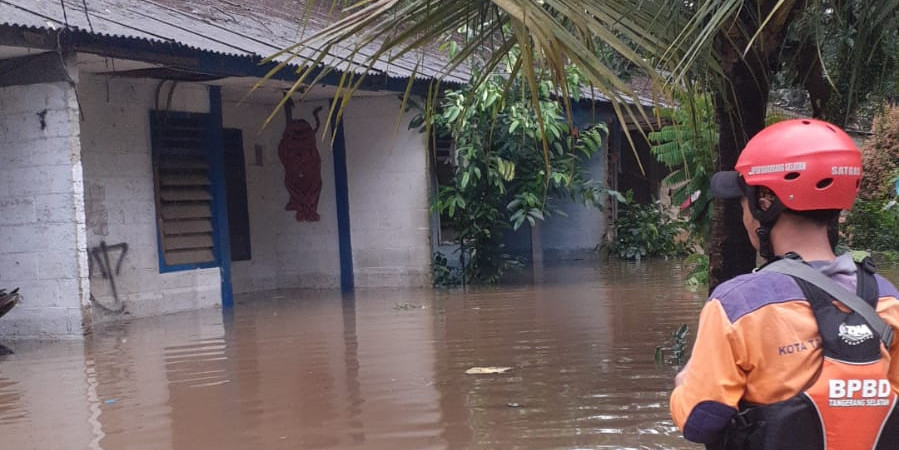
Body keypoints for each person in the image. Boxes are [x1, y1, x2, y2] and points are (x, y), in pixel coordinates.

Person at [669, 118, 899, 449]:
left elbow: (700, 422)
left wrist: (684, 381)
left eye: (744, 200)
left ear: (765, 201)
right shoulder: (888, 300)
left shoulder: (736, 306)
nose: (744, 212)